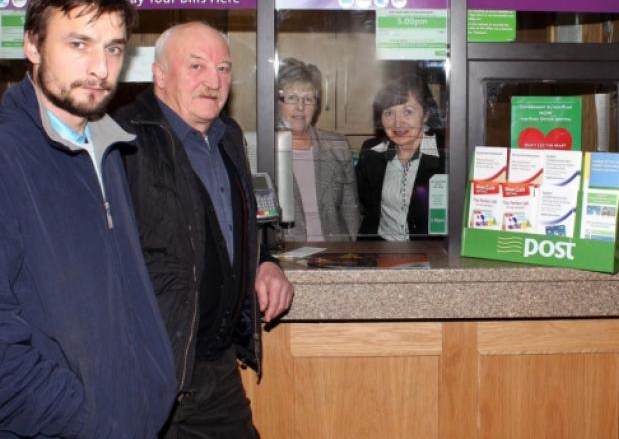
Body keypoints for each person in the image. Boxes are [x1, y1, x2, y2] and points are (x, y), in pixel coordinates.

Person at [0, 0, 176, 436]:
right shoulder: (7, 151)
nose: (100, 67)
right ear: (33, 47)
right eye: (79, 44)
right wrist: (81, 415)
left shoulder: (105, 142)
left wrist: (150, 387)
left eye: (114, 48)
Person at [115, 22, 294, 438]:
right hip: (154, 373)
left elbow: (232, 227)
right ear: (159, 74)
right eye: (196, 66)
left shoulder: (228, 136)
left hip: (216, 366)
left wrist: (263, 263)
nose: (213, 81)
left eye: (223, 68)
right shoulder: (123, 139)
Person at [277, 58, 360, 241]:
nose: (300, 107)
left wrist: (351, 252)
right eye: (292, 98)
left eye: (308, 99)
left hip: (334, 256)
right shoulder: (263, 150)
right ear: (277, 102)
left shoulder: (337, 146)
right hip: (286, 259)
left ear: (316, 105)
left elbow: (350, 208)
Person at [356, 74, 446, 240]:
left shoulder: (446, 157)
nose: (397, 123)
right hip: (380, 253)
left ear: (425, 114)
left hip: (431, 255)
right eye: (389, 113)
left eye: (408, 112)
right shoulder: (371, 152)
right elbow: (366, 210)